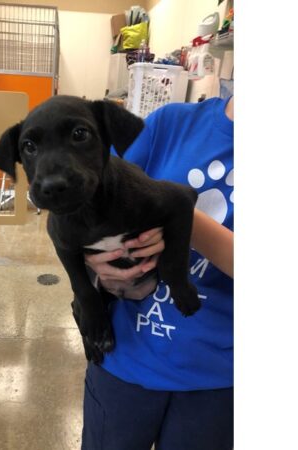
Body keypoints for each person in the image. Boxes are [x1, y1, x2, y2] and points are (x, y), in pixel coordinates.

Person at [81, 96, 234, 450]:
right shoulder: (168, 123)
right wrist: (97, 269)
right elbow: (88, 209)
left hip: (216, 378)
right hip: (123, 355)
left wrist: (173, 208)